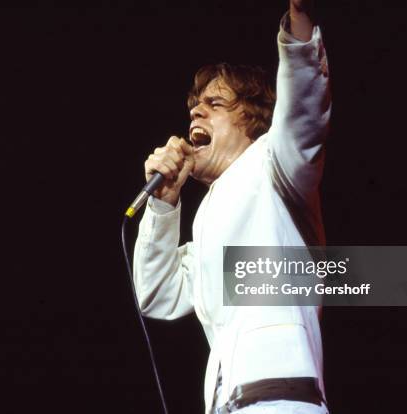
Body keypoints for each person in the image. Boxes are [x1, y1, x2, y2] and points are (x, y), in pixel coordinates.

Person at [133, 1, 331, 412]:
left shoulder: (275, 162)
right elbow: (156, 295)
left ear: (252, 120)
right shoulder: (208, 215)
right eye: (194, 105)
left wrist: (298, 25)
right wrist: (164, 205)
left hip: (280, 401)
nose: (195, 110)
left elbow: (305, 103)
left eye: (215, 103)